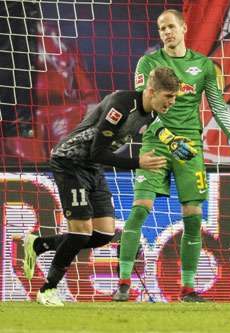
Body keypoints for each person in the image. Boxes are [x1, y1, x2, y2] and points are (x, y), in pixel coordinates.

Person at [112, 9, 230, 302]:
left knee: (193, 218)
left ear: (183, 28)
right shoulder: (149, 63)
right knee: (140, 208)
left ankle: (188, 288)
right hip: (156, 143)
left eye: (170, 27)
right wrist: (167, 136)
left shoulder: (203, 65)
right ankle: (123, 282)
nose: (166, 32)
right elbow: (143, 108)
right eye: (161, 28)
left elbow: (218, 107)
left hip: (190, 148)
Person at [21, 67, 192, 306]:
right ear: (151, 91)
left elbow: (155, 129)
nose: (171, 102)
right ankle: (47, 290)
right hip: (70, 162)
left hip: (92, 167)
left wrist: (173, 143)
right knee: (80, 230)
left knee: (103, 233)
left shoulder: (152, 112)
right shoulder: (120, 105)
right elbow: (98, 151)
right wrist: (138, 162)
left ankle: (40, 244)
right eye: (168, 97)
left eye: (174, 97)